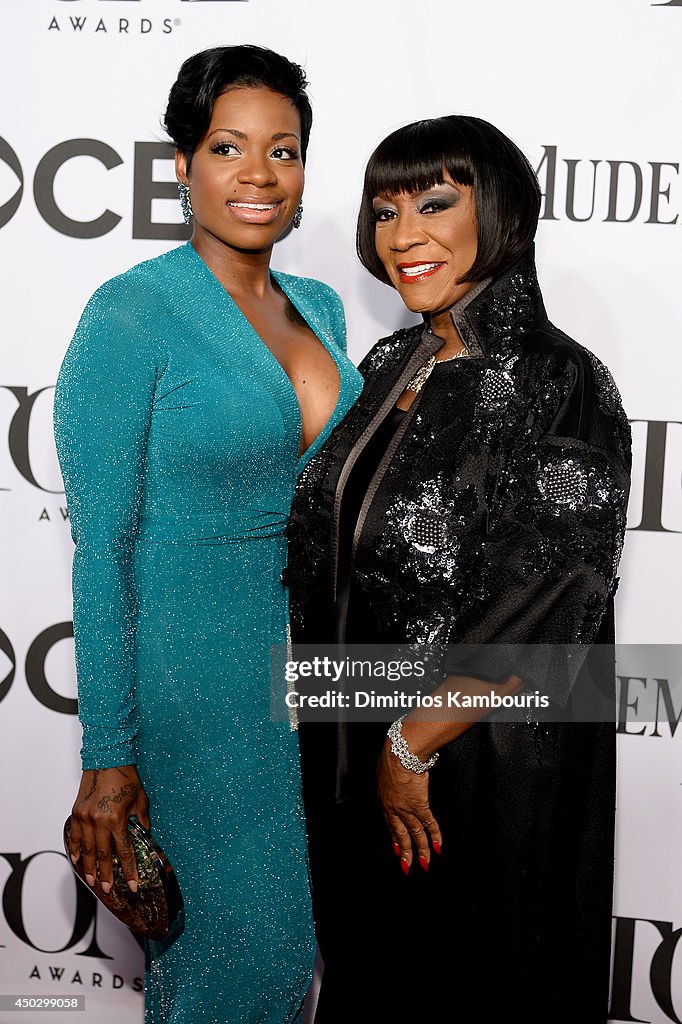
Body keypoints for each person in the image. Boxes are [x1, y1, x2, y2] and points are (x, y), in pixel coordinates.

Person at [287, 115, 631, 1023]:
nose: (405, 236)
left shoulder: (558, 379)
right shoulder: (392, 360)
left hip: (468, 772)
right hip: (354, 754)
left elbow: (549, 601)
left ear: (501, 209)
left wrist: (412, 744)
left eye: (435, 203)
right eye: (385, 211)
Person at [53, 44, 363, 1024]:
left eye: (284, 149)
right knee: (244, 962)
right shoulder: (131, 313)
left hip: (315, 684)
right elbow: (100, 548)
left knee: (298, 960)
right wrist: (108, 757)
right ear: (181, 164)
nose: (260, 174)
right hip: (197, 684)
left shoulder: (316, 308)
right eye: (229, 147)